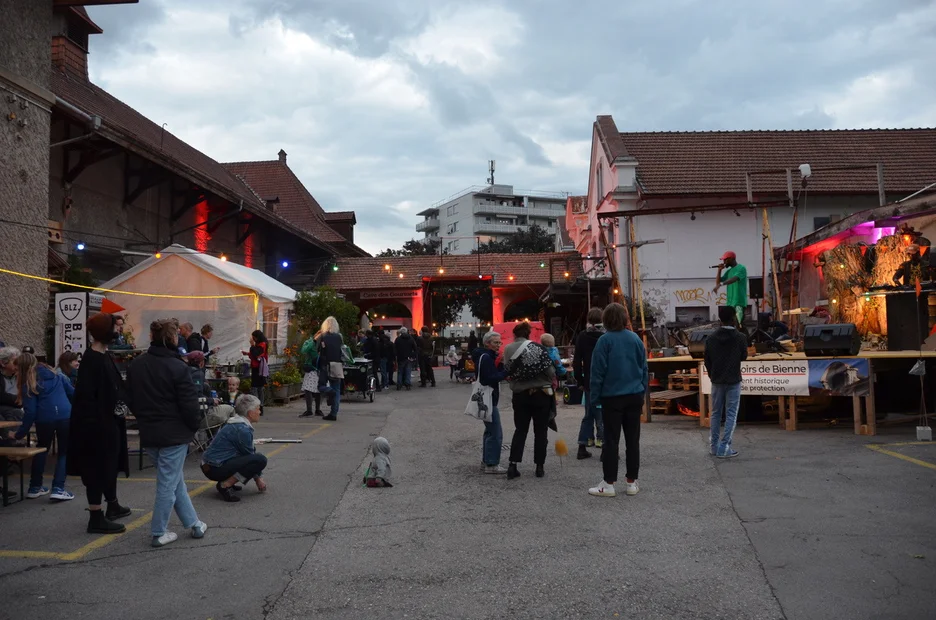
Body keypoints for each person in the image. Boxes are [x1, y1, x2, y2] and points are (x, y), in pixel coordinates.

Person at [127, 318, 207, 547]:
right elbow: (190, 405)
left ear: (152, 337)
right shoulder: (178, 367)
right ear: (173, 338)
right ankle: (158, 531)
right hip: (174, 433)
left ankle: (194, 524)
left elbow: (130, 397)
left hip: (150, 432)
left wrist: (144, 418)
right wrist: (192, 428)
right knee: (167, 484)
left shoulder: (137, 364)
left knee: (173, 481)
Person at [68, 313, 132, 534]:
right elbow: (88, 398)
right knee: (97, 469)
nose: (119, 331)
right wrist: (111, 413)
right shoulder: (92, 359)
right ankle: (96, 516)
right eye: (116, 327)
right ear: (106, 331)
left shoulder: (102, 355)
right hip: (96, 427)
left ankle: (112, 505)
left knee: (109, 466)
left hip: (107, 423)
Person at [588, 303, 649, 498]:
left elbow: (597, 372)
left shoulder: (604, 341)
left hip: (611, 397)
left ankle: (608, 483)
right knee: (633, 440)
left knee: (611, 440)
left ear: (606, 319)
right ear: (624, 318)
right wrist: (642, 391)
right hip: (634, 395)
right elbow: (644, 368)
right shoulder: (635, 339)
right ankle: (632, 482)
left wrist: (594, 398)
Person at [14, 350, 75, 501]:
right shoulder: (57, 375)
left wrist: (19, 434)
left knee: (41, 449)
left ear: (21, 369)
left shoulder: (28, 383)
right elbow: (73, 394)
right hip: (65, 415)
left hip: (44, 418)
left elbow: (30, 413)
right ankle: (58, 488)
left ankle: (35, 486)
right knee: (63, 452)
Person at [504, 322, 555, 480]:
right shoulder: (538, 348)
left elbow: (507, 370)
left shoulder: (508, 349)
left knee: (520, 430)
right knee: (540, 431)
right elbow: (550, 371)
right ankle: (539, 466)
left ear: (514, 334)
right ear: (529, 334)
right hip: (540, 395)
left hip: (520, 395)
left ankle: (513, 465)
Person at [201, 394, 268, 502]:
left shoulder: (236, 422)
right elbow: (250, 456)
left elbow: (248, 452)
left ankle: (228, 481)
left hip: (210, 465)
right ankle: (225, 485)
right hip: (214, 468)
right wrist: (258, 479)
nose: (260, 412)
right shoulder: (242, 429)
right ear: (250, 413)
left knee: (254, 458)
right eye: (258, 409)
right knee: (260, 460)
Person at [705, 306, 749, 459]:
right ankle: (725, 447)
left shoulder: (710, 338)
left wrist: (713, 375)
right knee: (731, 414)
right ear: (733, 318)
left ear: (720, 319)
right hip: (733, 379)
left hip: (717, 380)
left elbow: (707, 360)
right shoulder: (740, 337)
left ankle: (714, 446)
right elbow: (744, 356)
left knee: (716, 413)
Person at [573, 308, 606, 459]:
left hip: (588, 382)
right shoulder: (606, 336)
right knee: (602, 415)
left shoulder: (582, 336)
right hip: (605, 381)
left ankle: (582, 445)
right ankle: (605, 447)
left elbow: (577, 361)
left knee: (588, 414)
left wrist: (579, 380)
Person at [476, 331, 507, 474]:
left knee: (490, 431)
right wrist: (505, 373)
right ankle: (491, 463)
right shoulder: (487, 357)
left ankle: (486, 461)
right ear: (487, 343)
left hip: (487, 398)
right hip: (489, 398)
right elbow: (489, 378)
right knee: (495, 432)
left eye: (499, 342)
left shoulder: (485, 356)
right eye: (496, 343)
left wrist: (499, 367)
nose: (498, 345)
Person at [316, 316, 344, 421]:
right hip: (337, 365)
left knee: (321, 386)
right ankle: (333, 414)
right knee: (337, 389)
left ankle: (329, 390)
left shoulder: (322, 336)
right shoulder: (339, 337)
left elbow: (318, 350)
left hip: (325, 364)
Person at [713, 251, 748, 327]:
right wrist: (719, 270)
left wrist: (721, 284)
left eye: (725, 259)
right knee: (731, 326)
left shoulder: (741, 268)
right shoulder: (729, 271)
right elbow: (718, 282)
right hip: (730, 303)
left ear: (731, 259)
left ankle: (744, 338)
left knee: (739, 325)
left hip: (738, 303)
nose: (724, 262)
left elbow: (734, 279)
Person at [243, 330, 268, 415]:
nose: (253, 339)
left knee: (256, 387)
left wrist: (252, 345)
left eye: (254, 338)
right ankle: (259, 407)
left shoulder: (262, 344)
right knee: (259, 388)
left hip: (259, 368)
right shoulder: (260, 344)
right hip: (256, 367)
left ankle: (258, 407)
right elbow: (254, 354)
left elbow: (256, 353)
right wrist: (248, 353)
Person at [299, 329, 323, 418]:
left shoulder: (323, 343)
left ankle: (317, 409)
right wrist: (313, 341)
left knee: (319, 389)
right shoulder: (310, 342)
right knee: (308, 388)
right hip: (311, 368)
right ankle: (309, 410)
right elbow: (303, 350)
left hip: (319, 369)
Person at [1, 346, 24, 422]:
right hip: (4, 407)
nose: (18, 365)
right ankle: (10, 434)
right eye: (15, 362)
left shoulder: (21, 375)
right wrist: (19, 399)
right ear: (3, 363)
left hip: (18, 407)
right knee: (14, 413)